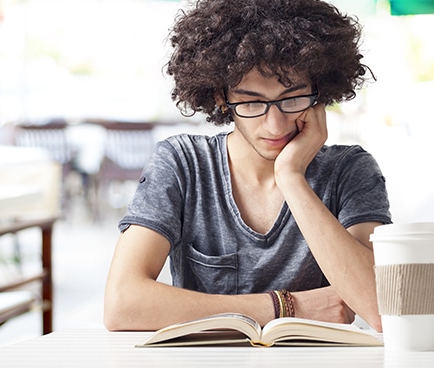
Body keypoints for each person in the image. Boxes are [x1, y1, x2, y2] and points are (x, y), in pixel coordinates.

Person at [104, 0, 391, 333]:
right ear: (222, 97)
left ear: (320, 93)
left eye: (293, 98)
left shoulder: (350, 170)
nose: (275, 125)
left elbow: (380, 307)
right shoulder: (183, 164)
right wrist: (287, 307)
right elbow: (122, 304)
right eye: (253, 102)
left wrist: (291, 177)